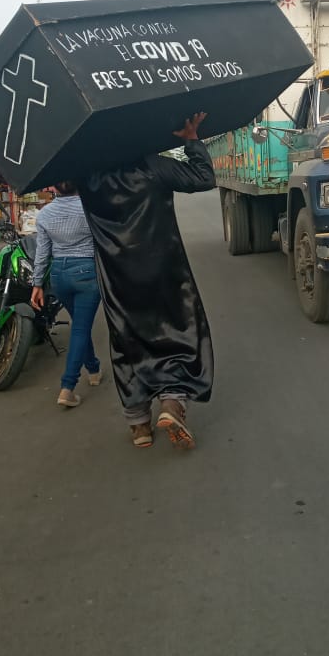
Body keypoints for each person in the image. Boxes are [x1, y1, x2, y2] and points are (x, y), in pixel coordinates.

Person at [78, 112, 215, 450]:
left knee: (128, 343)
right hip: (165, 272)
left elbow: (60, 184)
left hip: (117, 279)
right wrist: (191, 139)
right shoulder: (151, 166)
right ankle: (172, 403)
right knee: (178, 335)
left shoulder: (87, 177)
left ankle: (139, 425)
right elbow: (203, 178)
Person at [31, 181, 102, 408]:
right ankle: (67, 387)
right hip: (86, 273)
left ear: (54, 187)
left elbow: (42, 253)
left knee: (81, 325)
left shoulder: (45, 214)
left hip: (58, 276)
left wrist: (37, 283)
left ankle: (93, 368)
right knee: (81, 328)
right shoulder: (91, 208)